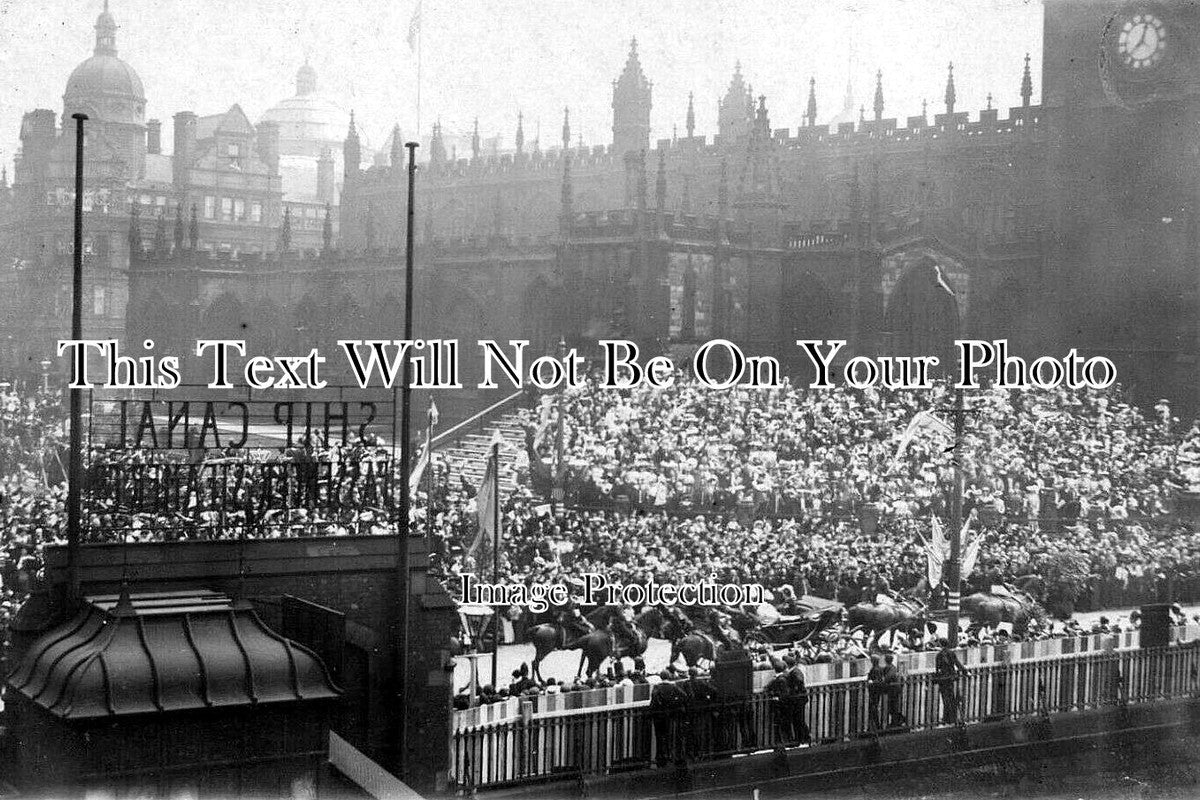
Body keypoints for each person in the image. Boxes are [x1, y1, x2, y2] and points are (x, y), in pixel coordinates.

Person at [934, 638, 969, 724]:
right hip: (951, 678)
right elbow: (957, 663)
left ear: (940, 644)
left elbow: (938, 668)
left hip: (943, 679)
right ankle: (952, 718)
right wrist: (965, 671)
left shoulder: (939, 655)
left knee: (945, 699)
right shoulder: (951, 653)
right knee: (952, 698)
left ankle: (947, 718)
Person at [883, 653, 906, 727]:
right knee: (893, 706)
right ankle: (894, 722)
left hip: (894, 690)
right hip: (894, 689)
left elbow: (887, 678)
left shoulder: (891, 668)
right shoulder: (892, 667)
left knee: (893, 707)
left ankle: (895, 722)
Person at [866, 655, 885, 730]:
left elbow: (878, 680)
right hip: (877, 691)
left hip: (874, 691)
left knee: (873, 708)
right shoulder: (879, 668)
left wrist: (871, 681)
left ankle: (876, 725)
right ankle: (876, 725)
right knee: (874, 708)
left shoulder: (875, 669)